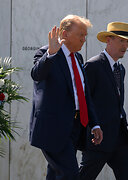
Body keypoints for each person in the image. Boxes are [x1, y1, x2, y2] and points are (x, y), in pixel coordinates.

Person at [29, 15, 103, 180]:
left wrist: (94, 123)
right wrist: (50, 54)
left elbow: (83, 95)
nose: (84, 39)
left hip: (74, 126)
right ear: (65, 33)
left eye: (85, 35)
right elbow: (36, 74)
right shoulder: (46, 53)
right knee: (70, 174)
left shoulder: (78, 58)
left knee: (56, 174)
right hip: (53, 127)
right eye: (80, 35)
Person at [79, 22, 128, 180]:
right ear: (108, 40)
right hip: (98, 138)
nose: (125, 45)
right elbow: (84, 101)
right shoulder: (93, 65)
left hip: (120, 137)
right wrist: (94, 126)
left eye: (127, 41)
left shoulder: (121, 69)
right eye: (121, 40)